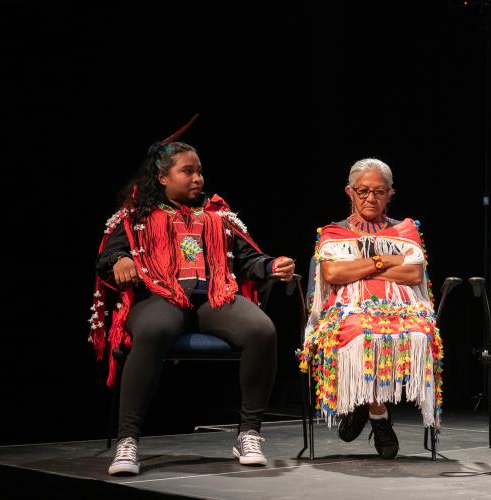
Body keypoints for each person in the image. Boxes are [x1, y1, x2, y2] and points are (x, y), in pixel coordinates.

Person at [88, 120, 294, 475]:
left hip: (214, 297)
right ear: (163, 178)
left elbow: (248, 260)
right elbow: (108, 257)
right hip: (158, 296)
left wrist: (273, 265)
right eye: (188, 171)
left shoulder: (219, 216)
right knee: (152, 331)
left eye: (199, 171)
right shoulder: (136, 216)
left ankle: (249, 433)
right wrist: (121, 260)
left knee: (262, 330)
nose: (198, 178)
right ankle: (129, 441)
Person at [299, 158, 443, 459]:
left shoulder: (405, 230)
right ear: (349, 192)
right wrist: (384, 261)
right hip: (345, 308)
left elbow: (414, 274)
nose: (370, 198)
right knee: (360, 331)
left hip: (401, 307)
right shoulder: (333, 232)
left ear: (390, 193)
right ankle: (379, 416)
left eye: (379, 191)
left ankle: (365, 408)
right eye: (363, 191)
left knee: (416, 332)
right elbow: (333, 275)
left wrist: (358, 268)